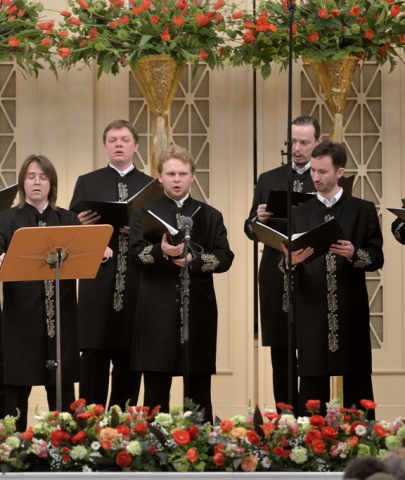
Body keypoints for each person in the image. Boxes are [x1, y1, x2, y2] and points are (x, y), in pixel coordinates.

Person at [129, 145, 234, 424]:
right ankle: (153, 442)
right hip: (156, 310)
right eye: (171, 174)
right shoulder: (143, 212)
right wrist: (161, 251)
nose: (177, 179)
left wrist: (193, 260)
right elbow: (134, 255)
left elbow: (225, 257)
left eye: (183, 174)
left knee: (198, 387)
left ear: (192, 176)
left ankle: (200, 441)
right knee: (155, 388)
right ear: (160, 177)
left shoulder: (210, 214)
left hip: (198, 309)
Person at [283, 140, 383, 418]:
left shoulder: (363, 210)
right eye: (313, 170)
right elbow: (285, 262)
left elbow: (377, 257)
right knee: (311, 388)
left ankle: (362, 440)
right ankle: (310, 443)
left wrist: (354, 253)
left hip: (350, 310)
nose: (315, 177)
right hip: (311, 310)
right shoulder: (299, 212)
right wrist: (291, 262)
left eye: (323, 171)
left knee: (357, 382)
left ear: (340, 172)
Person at [0, 155, 80, 431]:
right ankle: (12, 448)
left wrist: (103, 252)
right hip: (21, 320)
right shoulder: (7, 219)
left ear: (52, 183)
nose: (37, 182)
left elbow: (88, 253)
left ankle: (67, 447)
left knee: (62, 389)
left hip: (61, 318)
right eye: (31, 176)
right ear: (22, 183)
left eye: (43, 177)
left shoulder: (68, 219)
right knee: (16, 390)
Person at [68, 119, 150, 408]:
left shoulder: (149, 185)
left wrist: (139, 228)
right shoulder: (87, 182)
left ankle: (124, 427)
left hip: (136, 281)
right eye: (113, 140)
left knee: (130, 359)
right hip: (97, 280)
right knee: (93, 357)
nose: (118, 145)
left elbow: (159, 234)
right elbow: (69, 231)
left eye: (125, 140)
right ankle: (87, 424)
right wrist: (79, 224)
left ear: (135, 145)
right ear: (104, 146)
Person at [244, 115, 321, 412]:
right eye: (293, 142)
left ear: (318, 142)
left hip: (313, 270)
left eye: (304, 142)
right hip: (275, 272)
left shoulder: (323, 177)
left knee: (314, 350)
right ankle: (285, 421)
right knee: (281, 351)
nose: (297, 149)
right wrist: (258, 219)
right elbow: (250, 229)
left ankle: (314, 422)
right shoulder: (269, 179)